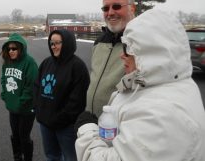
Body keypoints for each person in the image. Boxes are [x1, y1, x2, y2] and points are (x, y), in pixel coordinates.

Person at [75, 10, 205, 161]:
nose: (122, 55)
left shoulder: (162, 116)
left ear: (152, 52)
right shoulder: (163, 84)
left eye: (128, 47)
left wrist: (87, 131)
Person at [34, 29, 90, 161]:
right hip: (45, 124)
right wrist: (38, 110)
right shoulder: (46, 63)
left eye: (57, 43)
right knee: (51, 156)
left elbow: (77, 101)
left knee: (71, 157)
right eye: (52, 43)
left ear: (67, 43)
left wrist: (59, 119)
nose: (54, 47)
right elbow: (36, 87)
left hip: (66, 127)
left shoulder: (77, 67)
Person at [85, 0, 136, 117]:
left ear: (132, 8)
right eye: (106, 8)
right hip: (91, 121)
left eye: (117, 6)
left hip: (122, 127)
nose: (111, 12)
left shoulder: (141, 43)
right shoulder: (99, 42)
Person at [0, 33, 38, 161]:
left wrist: (20, 102)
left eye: (14, 48)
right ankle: (17, 157)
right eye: (9, 49)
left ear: (21, 49)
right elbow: (4, 80)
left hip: (26, 109)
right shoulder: (7, 63)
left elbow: (31, 86)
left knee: (23, 136)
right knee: (15, 135)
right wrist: (5, 95)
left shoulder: (29, 63)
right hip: (13, 108)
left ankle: (27, 158)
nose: (11, 51)